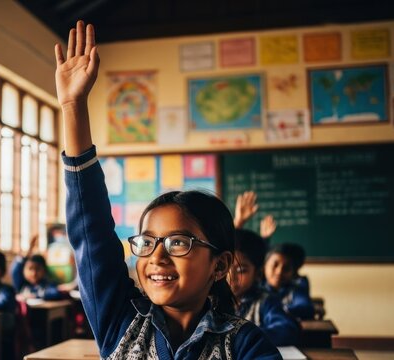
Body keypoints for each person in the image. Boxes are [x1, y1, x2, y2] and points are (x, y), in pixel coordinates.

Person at [56, 20, 280, 358]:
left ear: (219, 266)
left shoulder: (245, 344)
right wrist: (73, 107)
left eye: (178, 242)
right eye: (146, 242)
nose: (156, 257)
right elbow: (91, 232)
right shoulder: (121, 322)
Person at [230, 229, 299, 346]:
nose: (231, 276)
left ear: (257, 274)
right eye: (226, 267)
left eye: (241, 270)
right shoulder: (209, 300)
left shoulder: (265, 301)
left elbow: (287, 329)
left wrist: (245, 337)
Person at [263, 244, 315, 320]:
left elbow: (305, 307)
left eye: (286, 268)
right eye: (275, 265)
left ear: (293, 272)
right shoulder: (255, 287)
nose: (279, 272)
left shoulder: (296, 288)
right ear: (264, 266)